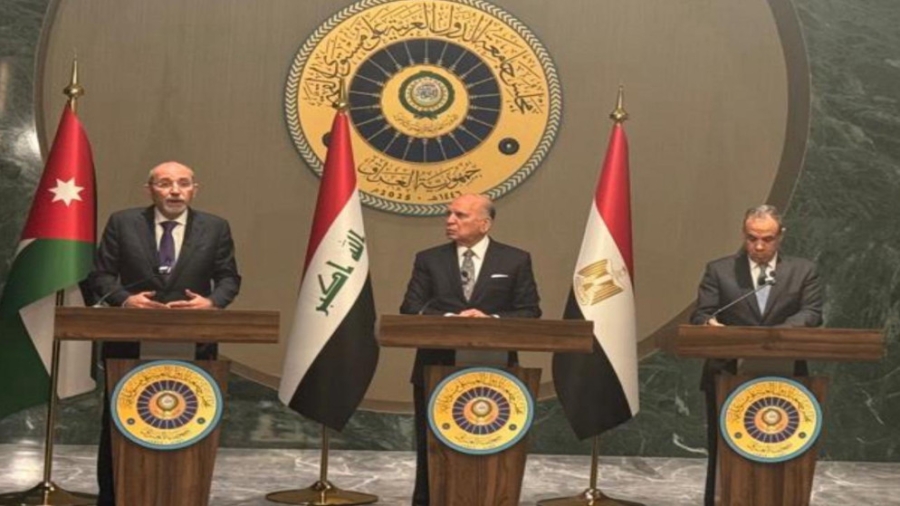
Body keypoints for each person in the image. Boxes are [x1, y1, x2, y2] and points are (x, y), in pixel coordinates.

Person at [87, 161, 241, 506]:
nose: (175, 191)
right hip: (129, 345)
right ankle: (113, 498)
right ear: (150, 190)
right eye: (165, 183)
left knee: (188, 421)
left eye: (183, 183)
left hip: (194, 343)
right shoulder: (123, 222)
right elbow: (101, 275)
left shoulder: (215, 227)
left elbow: (229, 277)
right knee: (121, 423)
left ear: (194, 190)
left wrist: (211, 302)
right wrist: (125, 299)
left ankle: (184, 496)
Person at [399, 193, 541, 506]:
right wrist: (453, 320)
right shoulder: (429, 259)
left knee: (492, 441)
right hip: (436, 366)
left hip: (497, 371)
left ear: (484, 224)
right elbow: (410, 307)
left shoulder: (515, 260)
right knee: (432, 443)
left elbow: (530, 311)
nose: (450, 220)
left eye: (460, 215)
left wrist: (491, 321)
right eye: (449, 214)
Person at [690, 204, 822, 506]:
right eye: (752, 238)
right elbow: (702, 314)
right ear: (743, 235)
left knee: (782, 446)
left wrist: (772, 337)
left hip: (786, 373)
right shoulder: (719, 270)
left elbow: (812, 313)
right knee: (725, 448)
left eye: (767, 239)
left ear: (781, 236)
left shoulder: (803, 271)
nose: (759, 246)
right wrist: (709, 324)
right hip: (727, 373)